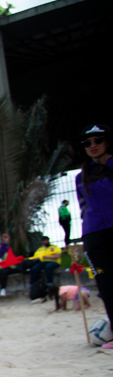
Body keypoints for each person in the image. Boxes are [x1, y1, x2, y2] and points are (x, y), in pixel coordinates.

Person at [76, 123, 112, 333]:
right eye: (87, 143)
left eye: (98, 140)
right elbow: (83, 206)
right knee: (106, 286)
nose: (93, 145)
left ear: (107, 142)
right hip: (94, 236)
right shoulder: (81, 176)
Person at [28, 235, 62, 301]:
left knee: (48, 267)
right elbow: (35, 257)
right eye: (44, 240)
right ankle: (33, 284)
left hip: (53, 262)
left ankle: (50, 283)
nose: (46, 241)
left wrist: (46, 257)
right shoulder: (40, 249)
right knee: (35, 268)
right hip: (43, 262)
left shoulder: (55, 247)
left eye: (47, 240)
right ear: (42, 242)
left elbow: (57, 256)